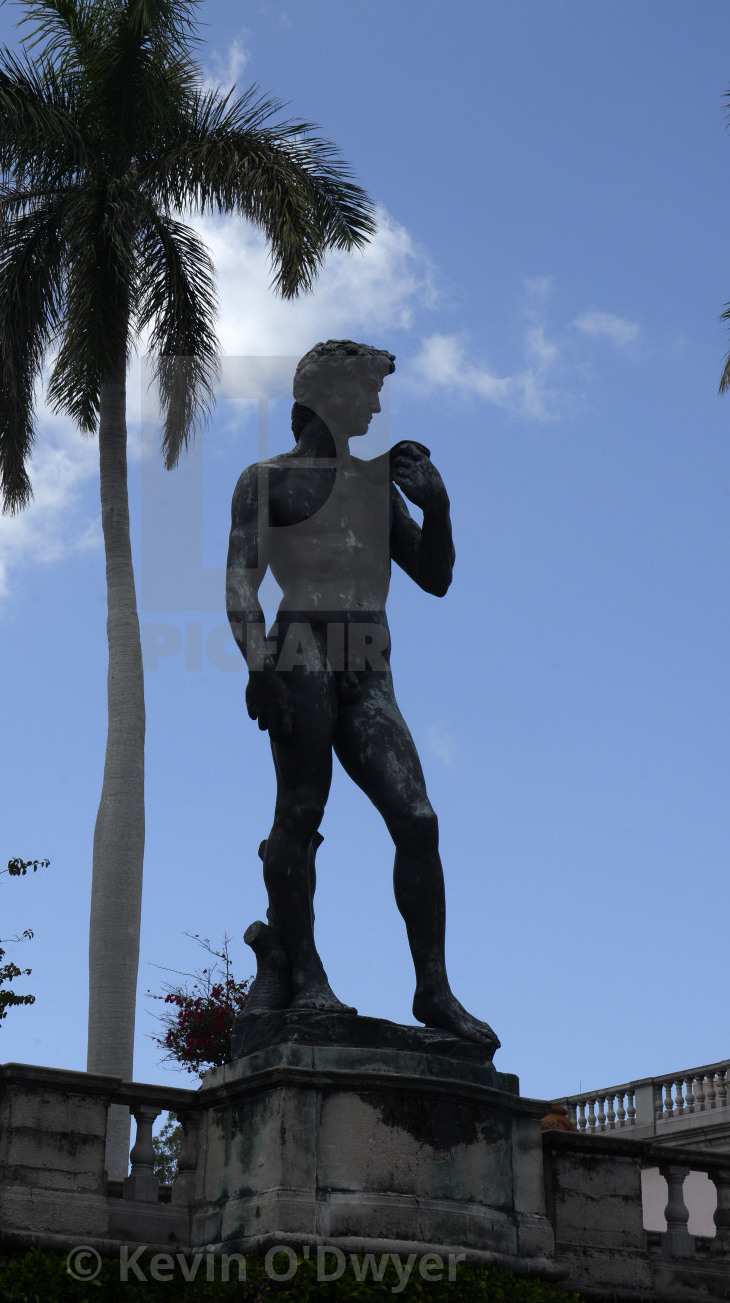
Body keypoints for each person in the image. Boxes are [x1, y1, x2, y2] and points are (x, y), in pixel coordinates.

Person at [225, 339, 498, 1050]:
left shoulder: (377, 488)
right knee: (303, 809)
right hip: (301, 646)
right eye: (368, 391)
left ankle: (433, 989)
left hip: (370, 657)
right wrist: (259, 663)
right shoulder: (268, 480)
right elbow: (239, 582)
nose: (377, 406)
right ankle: (302, 969)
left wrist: (437, 509)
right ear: (328, 394)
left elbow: (433, 578)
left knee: (418, 819)